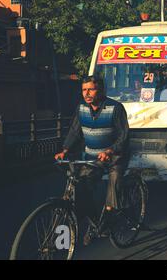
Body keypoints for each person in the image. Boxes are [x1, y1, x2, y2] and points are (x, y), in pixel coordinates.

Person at [55, 76, 130, 245]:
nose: (87, 93)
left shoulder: (115, 108)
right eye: (84, 90)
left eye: (91, 89)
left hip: (115, 157)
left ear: (101, 90)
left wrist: (110, 150)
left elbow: (123, 135)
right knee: (82, 188)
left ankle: (111, 216)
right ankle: (97, 224)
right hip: (92, 158)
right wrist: (65, 150)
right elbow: (75, 131)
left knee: (114, 181)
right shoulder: (81, 108)